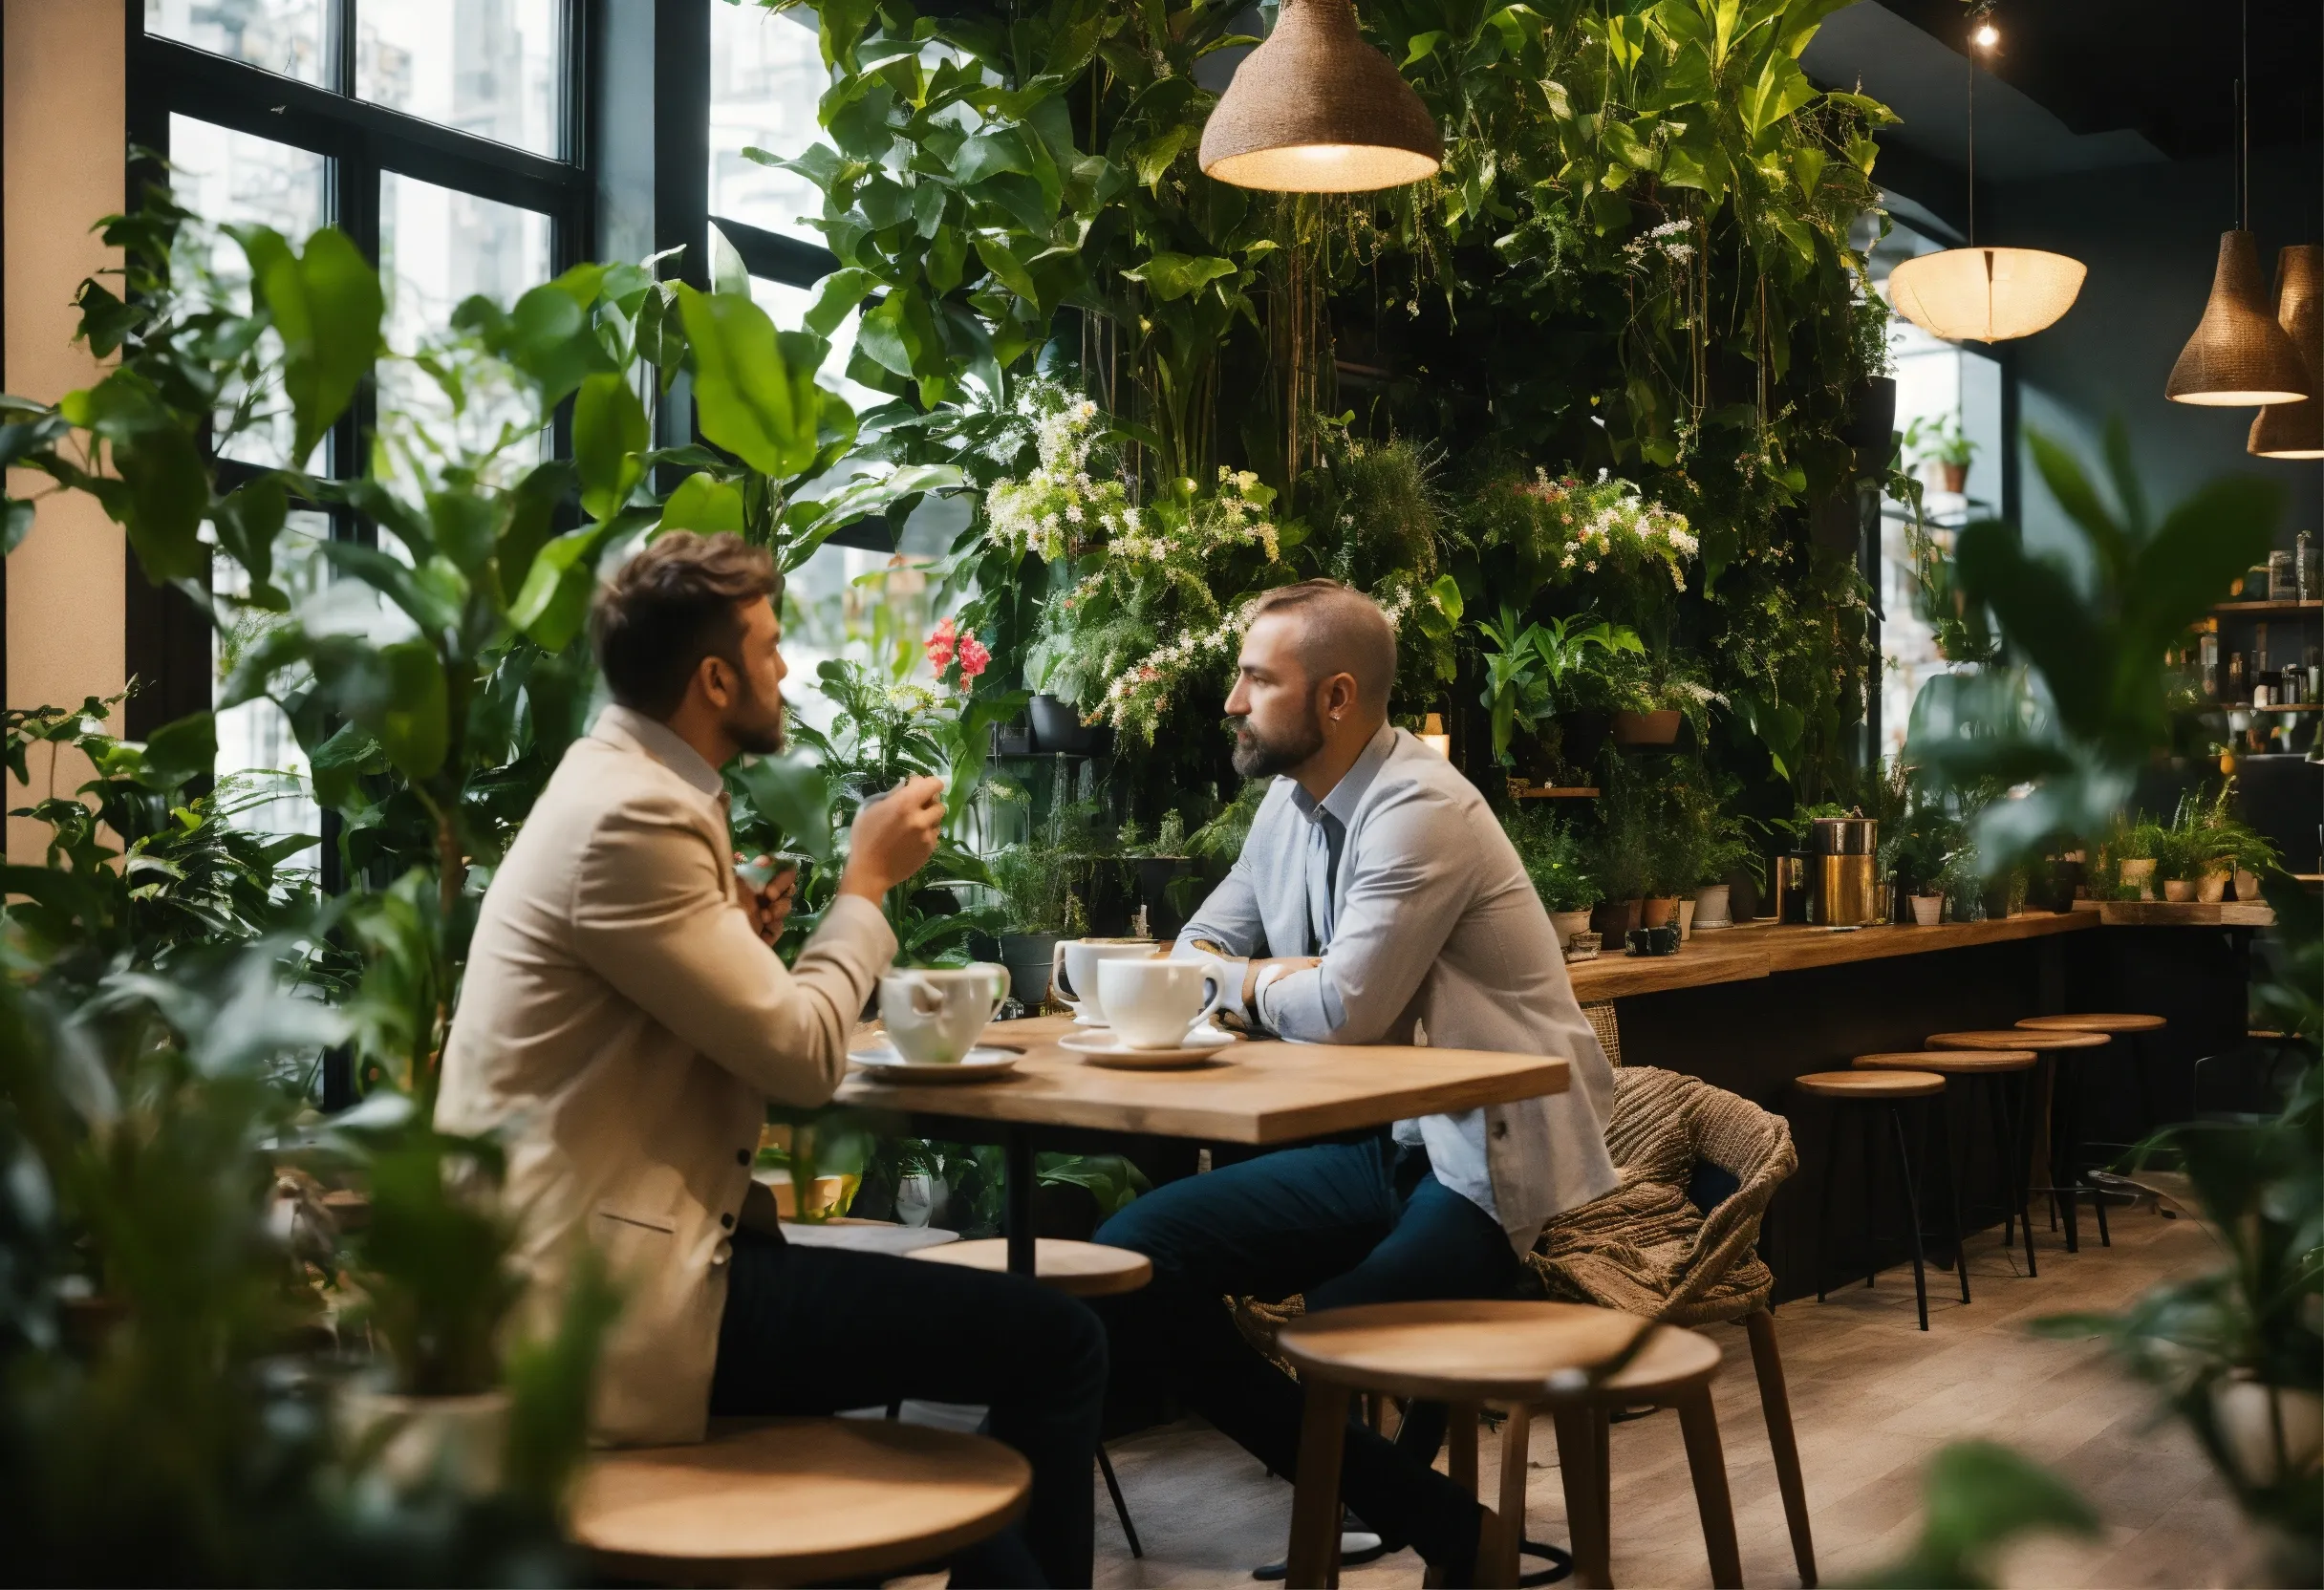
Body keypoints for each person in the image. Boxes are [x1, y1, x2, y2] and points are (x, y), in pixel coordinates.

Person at [437, 531, 1106, 1588]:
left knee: (962, 1460)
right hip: (598, 1297)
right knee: (1055, 1342)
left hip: (613, 1256)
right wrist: (864, 888)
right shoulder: (632, 814)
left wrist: (737, 941)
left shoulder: (617, 779)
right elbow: (799, 1057)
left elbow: (675, 1026)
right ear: (713, 677)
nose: (786, 666)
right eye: (769, 643)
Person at [1092, 578, 1620, 1583]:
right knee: (1132, 1258)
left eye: (1256, 678)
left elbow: (1344, 1010)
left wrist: (1236, 980)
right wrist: (1249, 974)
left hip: (1480, 1155)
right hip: (1374, 1141)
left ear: (1334, 697)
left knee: (1335, 1318)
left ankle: (1419, 1512)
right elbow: (1203, 937)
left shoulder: (1420, 807)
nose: (1232, 701)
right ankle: (1444, 1520)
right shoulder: (1289, 802)